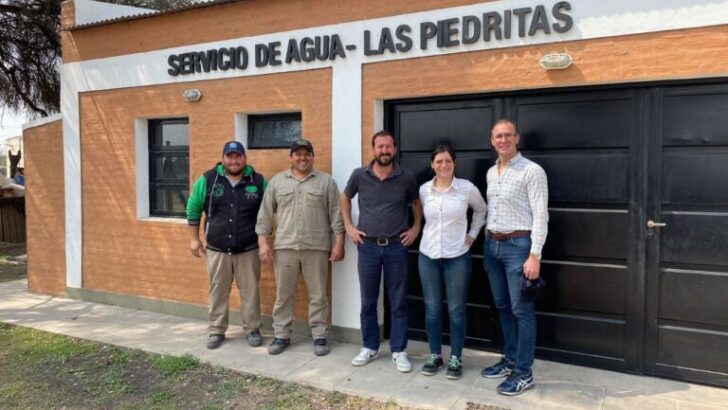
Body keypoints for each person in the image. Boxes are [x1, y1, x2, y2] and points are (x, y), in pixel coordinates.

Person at [340, 130, 422, 373]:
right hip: (368, 247)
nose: (384, 151)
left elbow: (416, 202)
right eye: (380, 147)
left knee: (398, 301)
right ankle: (369, 346)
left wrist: (416, 227)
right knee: (368, 301)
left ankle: (398, 350)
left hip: (397, 246)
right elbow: (345, 198)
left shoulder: (406, 176)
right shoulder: (359, 175)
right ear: (373, 149)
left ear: (394, 149)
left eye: (388, 147)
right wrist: (349, 227)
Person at [256, 139, 345, 356]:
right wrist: (262, 243)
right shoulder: (277, 182)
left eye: (307, 154)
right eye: (298, 154)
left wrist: (339, 243)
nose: (302, 158)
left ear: (313, 157)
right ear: (291, 157)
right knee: (284, 294)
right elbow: (265, 215)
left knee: (318, 294)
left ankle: (320, 336)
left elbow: (336, 216)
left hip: (316, 247)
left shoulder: (326, 183)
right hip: (285, 247)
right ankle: (281, 335)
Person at [479, 119, 548, 395]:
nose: (503, 140)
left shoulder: (532, 171)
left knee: (522, 311)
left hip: (519, 247)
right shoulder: (491, 173)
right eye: (498, 136)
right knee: (502, 306)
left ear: (517, 138)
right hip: (492, 246)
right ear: (492, 140)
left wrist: (535, 255)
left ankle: (524, 372)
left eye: (508, 135)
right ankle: (509, 359)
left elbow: (541, 215)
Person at [187, 140, 266, 350]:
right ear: (223, 158)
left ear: (244, 158)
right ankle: (216, 330)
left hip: (248, 249)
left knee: (250, 291)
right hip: (217, 250)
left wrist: (264, 241)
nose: (234, 160)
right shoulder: (208, 180)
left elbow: (267, 213)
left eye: (238, 156)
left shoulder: (258, 181)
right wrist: (194, 239)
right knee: (218, 291)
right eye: (230, 156)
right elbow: (193, 209)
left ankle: (252, 329)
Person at [418, 145, 486, 380]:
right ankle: (434, 355)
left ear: (454, 163)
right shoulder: (424, 190)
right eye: (439, 161)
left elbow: (481, 211)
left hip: (457, 257)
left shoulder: (466, 188)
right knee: (433, 309)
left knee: (456, 310)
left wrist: (473, 235)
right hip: (428, 256)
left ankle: (456, 357)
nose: (443, 165)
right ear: (432, 164)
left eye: (447, 161)